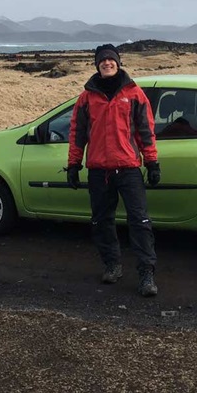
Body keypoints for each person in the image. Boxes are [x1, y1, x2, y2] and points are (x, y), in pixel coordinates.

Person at [66, 43, 161, 297]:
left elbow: (146, 132)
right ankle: (112, 265)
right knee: (101, 221)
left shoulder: (135, 93)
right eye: (102, 60)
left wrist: (152, 163)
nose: (107, 63)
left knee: (140, 222)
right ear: (97, 65)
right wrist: (74, 164)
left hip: (128, 169)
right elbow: (77, 134)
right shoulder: (87, 97)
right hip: (99, 170)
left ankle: (146, 274)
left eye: (111, 60)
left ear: (118, 63)